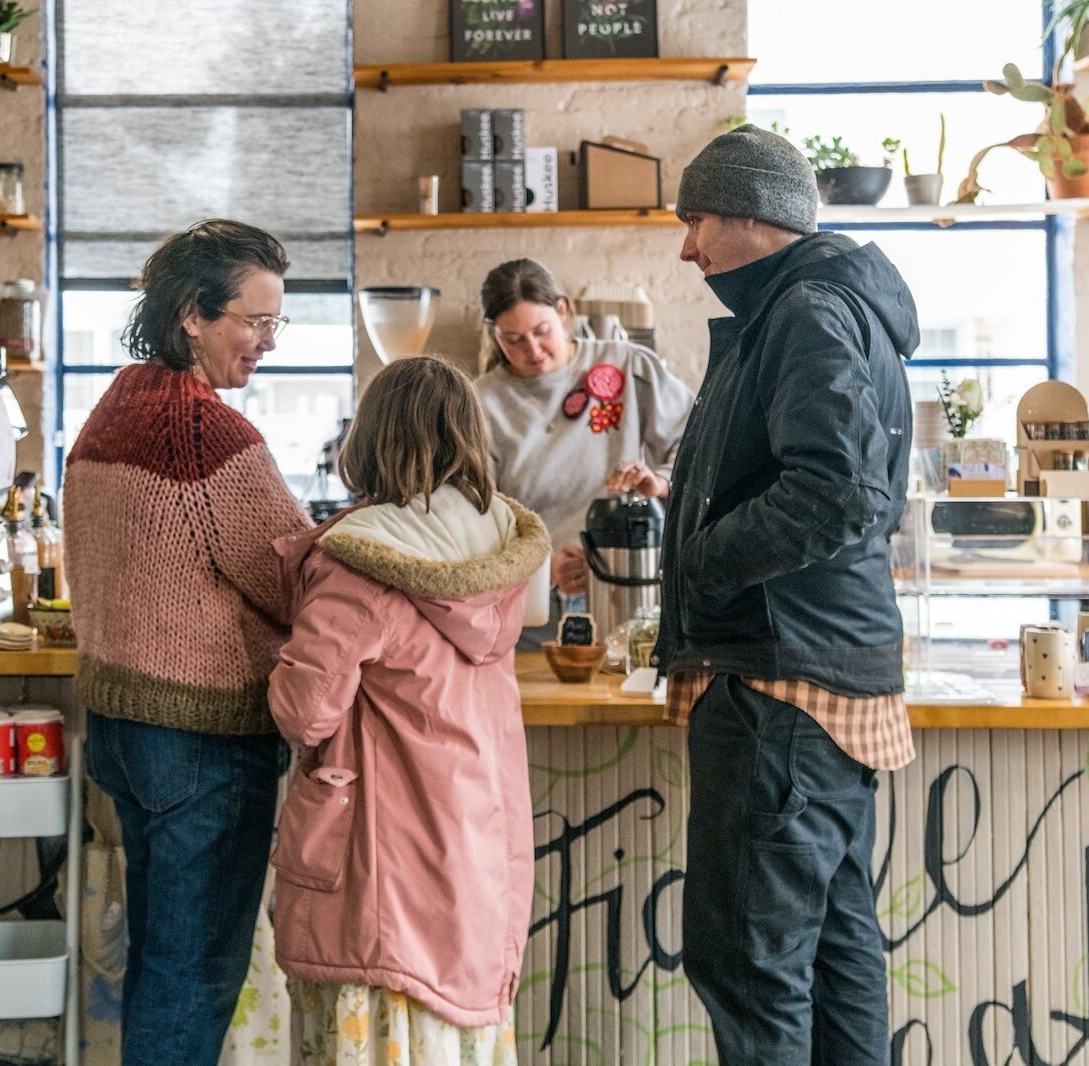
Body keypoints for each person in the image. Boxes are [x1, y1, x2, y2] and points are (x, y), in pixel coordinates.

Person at [651, 124, 920, 1064]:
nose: (688, 249)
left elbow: (838, 490)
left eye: (697, 222)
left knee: (749, 965)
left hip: (778, 682)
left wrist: (702, 561)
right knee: (837, 952)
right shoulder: (826, 307)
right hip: (817, 679)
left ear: (751, 215)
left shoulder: (806, 309)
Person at [63, 219, 311, 1064]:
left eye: (278, 324)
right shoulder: (208, 433)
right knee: (196, 972)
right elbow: (290, 580)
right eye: (255, 320)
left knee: (159, 963)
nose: (268, 342)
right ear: (192, 314)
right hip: (202, 742)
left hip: (123, 733)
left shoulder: (112, 409)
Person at [266, 356, 550, 1064]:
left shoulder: (364, 557)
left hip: (380, 866)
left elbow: (305, 713)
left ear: (370, 441)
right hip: (472, 847)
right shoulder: (499, 547)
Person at [474, 258, 693, 642]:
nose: (534, 349)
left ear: (563, 310)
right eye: (514, 340)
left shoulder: (626, 364)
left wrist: (659, 482)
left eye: (542, 331)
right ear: (493, 334)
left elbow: (698, 445)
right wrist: (542, 570)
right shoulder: (481, 403)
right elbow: (479, 519)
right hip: (533, 607)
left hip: (632, 591)